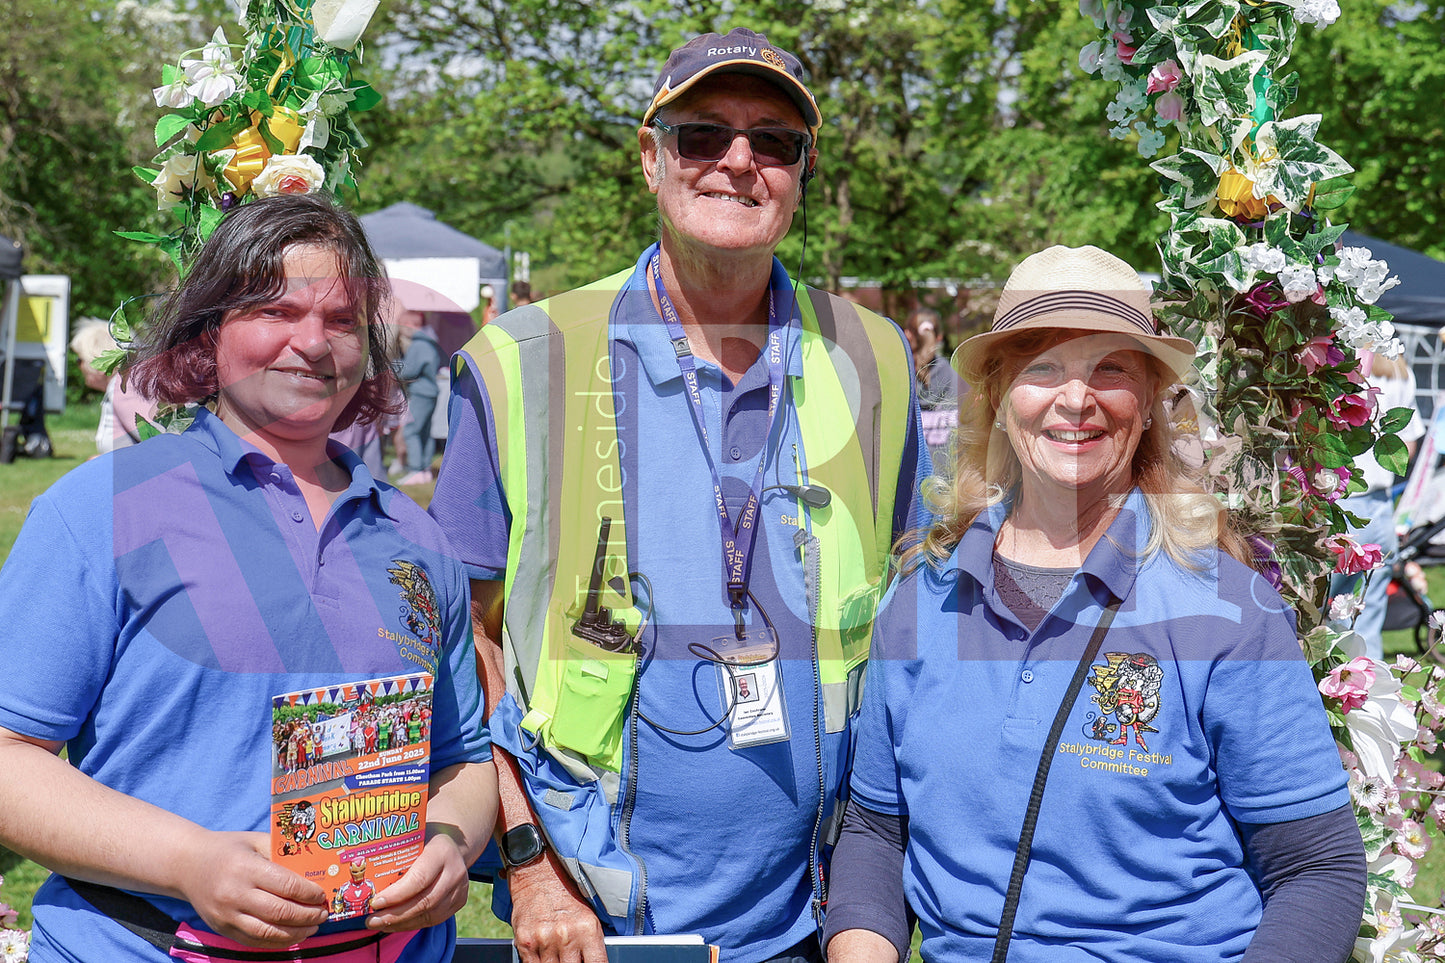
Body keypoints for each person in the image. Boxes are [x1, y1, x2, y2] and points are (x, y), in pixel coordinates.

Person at [427, 27, 929, 963]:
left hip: (824, 914)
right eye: (703, 135)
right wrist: (529, 867)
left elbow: (925, 607)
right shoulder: (522, 361)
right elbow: (464, 639)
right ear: (651, 158)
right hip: (592, 917)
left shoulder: (874, 358)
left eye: (772, 141)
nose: (737, 162)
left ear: (800, 171)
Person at [823, 245, 1365, 963]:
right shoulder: (920, 597)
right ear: (997, 397)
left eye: (1109, 369)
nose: (1074, 398)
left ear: (1145, 407)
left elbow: (1316, 868)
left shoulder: (1227, 611)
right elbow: (875, 830)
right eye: (1040, 366)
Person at [0, 193, 496, 963]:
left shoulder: (416, 538)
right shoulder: (100, 509)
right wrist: (189, 861)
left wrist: (450, 840)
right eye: (276, 311)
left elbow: (462, 757)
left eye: (340, 319)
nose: (312, 342)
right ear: (210, 330)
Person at [1328, 349, 1424, 659]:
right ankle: (1365, 692)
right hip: (1380, 507)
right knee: (1366, 614)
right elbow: (1407, 447)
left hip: (1339, 503)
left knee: (1320, 612)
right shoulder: (1399, 369)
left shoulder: (1338, 365)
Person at [69, 317, 156, 454]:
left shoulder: (124, 389)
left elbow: (157, 442)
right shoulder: (124, 386)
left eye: (80, 360)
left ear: (99, 358)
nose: (79, 366)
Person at [902, 307, 959, 460]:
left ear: (907, 334)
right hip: (949, 480)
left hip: (907, 481)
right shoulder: (960, 381)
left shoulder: (895, 380)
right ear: (939, 337)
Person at [396, 307, 444, 486]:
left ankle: (416, 469)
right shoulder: (428, 342)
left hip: (420, 392)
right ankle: (424, 470)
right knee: (424, 431)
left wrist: (390, 366)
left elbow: (410, 370)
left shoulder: (418, 345)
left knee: (412, 430)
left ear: (410, 325)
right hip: (429, 392)